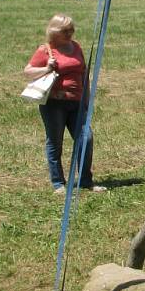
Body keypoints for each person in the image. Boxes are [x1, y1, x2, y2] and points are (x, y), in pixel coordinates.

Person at [24, 14, 106, 194]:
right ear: (54, 32)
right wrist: (47, 68)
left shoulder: (76, 47)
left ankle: (85, 181)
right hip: (54, 104)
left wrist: (87, 98)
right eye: (65, 31)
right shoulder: (46, 50)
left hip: (77, 102)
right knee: (55, 142)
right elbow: (28, 72)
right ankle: (58, 183)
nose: (70, 33)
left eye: (72, 30)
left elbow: (83, 73)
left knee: (86, 138)